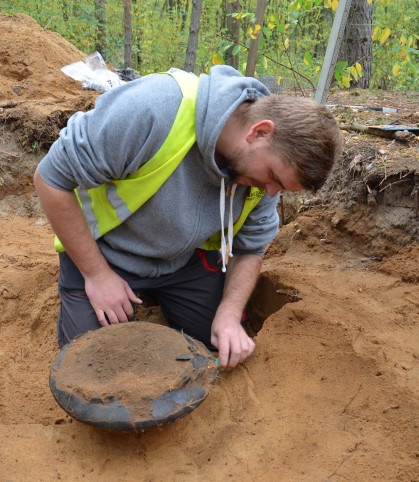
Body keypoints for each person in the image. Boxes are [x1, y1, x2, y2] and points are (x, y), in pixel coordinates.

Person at [34, 65, 343, 370]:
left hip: (184, 262)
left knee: (222, 347)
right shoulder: (153, 108)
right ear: (260, 132)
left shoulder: (264, 178)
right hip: (105, 253)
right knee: (92, 366)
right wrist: (97, 275)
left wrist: (230, 312)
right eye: (272, 176)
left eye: (282, 187)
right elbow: (50, 179)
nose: (271, 192)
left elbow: (250, 248)